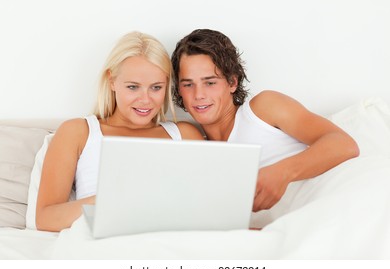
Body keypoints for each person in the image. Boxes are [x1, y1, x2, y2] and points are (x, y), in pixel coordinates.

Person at [171, 28, 360, 216]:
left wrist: (283, 173)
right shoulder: (198, 148)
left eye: (210, 82)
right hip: (294, 230)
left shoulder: (262, 108)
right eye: (188, 84)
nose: (199, 95)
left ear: (232, 83)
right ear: (179, 89)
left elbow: (344, 144)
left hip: (343, 202)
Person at [36, 31, 204, 232]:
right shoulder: (78, 132)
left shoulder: (185, 135)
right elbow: (45, 218)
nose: (145, 99)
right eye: (133, 87)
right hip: (107, 241)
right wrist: (116, 200)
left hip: (169, 240)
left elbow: (207, 204)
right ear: (112, 80)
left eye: (156, 87)